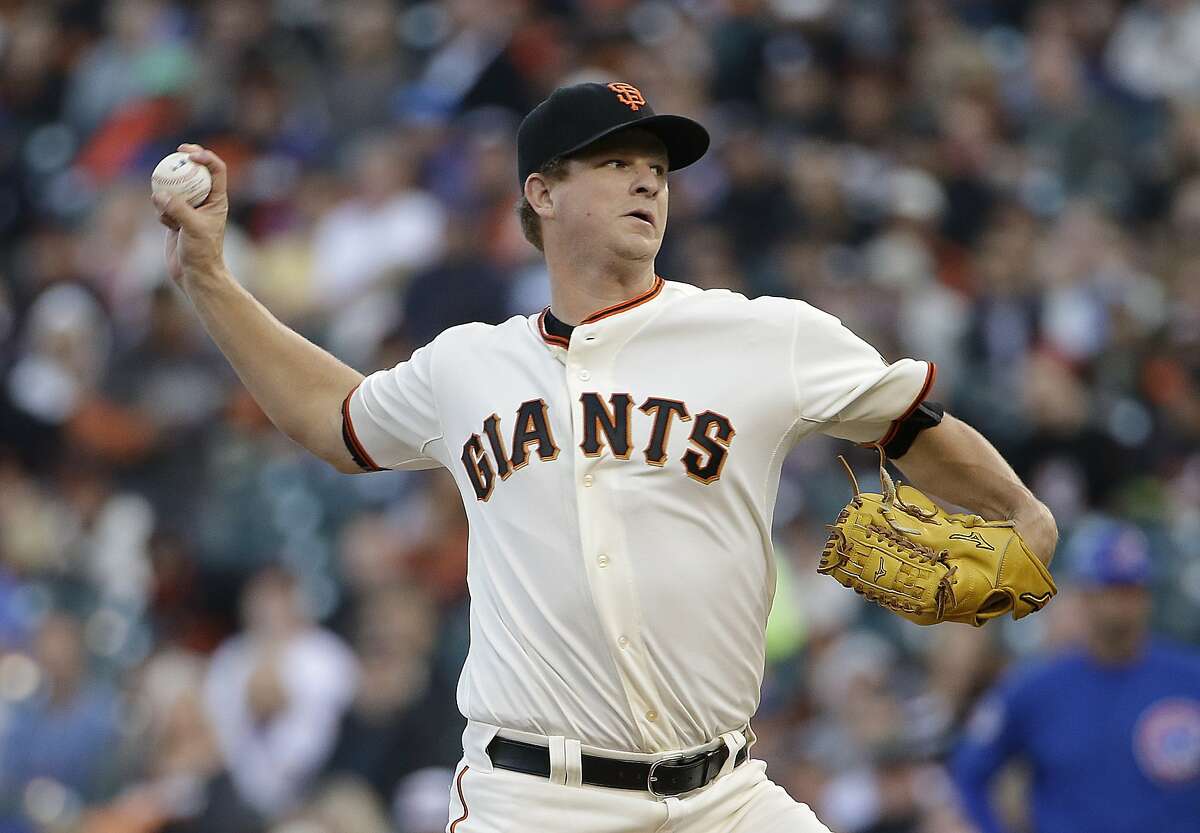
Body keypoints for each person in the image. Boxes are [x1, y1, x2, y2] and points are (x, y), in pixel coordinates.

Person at [152, 81, 1057, 832]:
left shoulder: (760, 335)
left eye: (657, 169)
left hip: (725, 795)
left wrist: (1022, 508)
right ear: (542, 193)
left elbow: (910, 422)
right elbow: (334, 419)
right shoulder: (470, 365)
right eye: (617, 162)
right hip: (536, 798)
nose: (648, 183)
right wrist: (210, 279)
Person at [951, 518, 1200, 833]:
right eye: (1112, 589)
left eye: (1133, 590)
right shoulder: (1036, 689)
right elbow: (970, 772)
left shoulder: (1190, 678)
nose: (1124, 605)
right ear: (1084, 596)